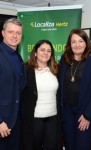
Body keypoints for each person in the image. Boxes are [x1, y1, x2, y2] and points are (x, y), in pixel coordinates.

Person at [58, 29, 91, 150]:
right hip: (67, 111)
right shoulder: (65, 59)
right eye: (73, 42)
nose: (77, 45)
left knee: (82, 146)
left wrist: (87, 115)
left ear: (86, 42)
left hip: (85, 111)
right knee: (69, 145)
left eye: (80, 41)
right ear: (69, 44)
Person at [20, 39, 62, 150]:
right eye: (42, 50)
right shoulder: (26, 70)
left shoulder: (56, 70)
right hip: (34, 119)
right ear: (35, 52)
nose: (46, 53)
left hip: (53, 118)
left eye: (49, 51)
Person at [0, 18, 26, 150]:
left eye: (18, 33)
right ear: (3, 33)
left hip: (16, 121)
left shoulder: (18, 57)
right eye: (11, 32)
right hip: (2, 122)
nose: (15, 36)